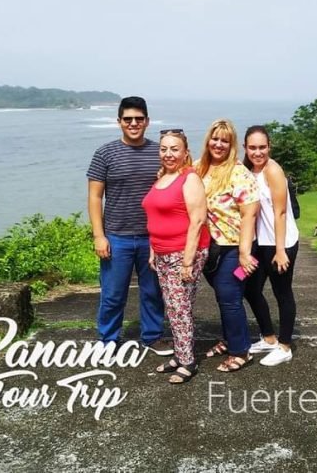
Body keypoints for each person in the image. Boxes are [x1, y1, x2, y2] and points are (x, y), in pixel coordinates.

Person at [86, 96, 172, 356]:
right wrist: (99, 236)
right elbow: (94, 196)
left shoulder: (159, 152)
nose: (133, 123)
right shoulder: (105, 153)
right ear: (119, 122)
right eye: (128, 119)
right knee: (113, 294)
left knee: (153, 293)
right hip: (117, 236)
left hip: (153, 237)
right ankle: (108, 339)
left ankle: (153, 336)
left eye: (138, 119)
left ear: (147, 121)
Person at [142, 129, 210, 383]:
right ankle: (180, 356)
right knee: (173, 307)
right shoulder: (162, 177)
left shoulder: (189, 179)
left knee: (180, 309)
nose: (168, 154)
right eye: (164, 149)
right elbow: (156, 216)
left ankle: (188, 362)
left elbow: (197, 220)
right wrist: (152, 250)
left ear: (185, 153)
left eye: (174, 149)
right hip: (162, 253)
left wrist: (188, 261)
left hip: (183, 252)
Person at [196, 119, 259, 372]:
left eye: (225, 140)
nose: (219, 144)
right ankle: (230, 338)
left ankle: (241, 351)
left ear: (232, 145)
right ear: (208, 140)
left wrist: (244, 253)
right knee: (224, 297)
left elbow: (249, 215)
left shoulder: (238, 173)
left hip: (235, 248)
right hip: (209, 248)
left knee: (230, 298)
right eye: (215, 138)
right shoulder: (199, 168)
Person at [242, 125, 300, 366]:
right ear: (245, 148)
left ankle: (285, 346)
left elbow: (281, 212)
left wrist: (279, 251)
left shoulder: (273, 170)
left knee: (282, 292)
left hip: (280, 242)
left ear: (269, 147)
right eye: (252, 147)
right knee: (249, 289)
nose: (257, 152)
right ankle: (268, 337)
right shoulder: (247, 170)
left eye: (262, 147)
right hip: (259, 243)